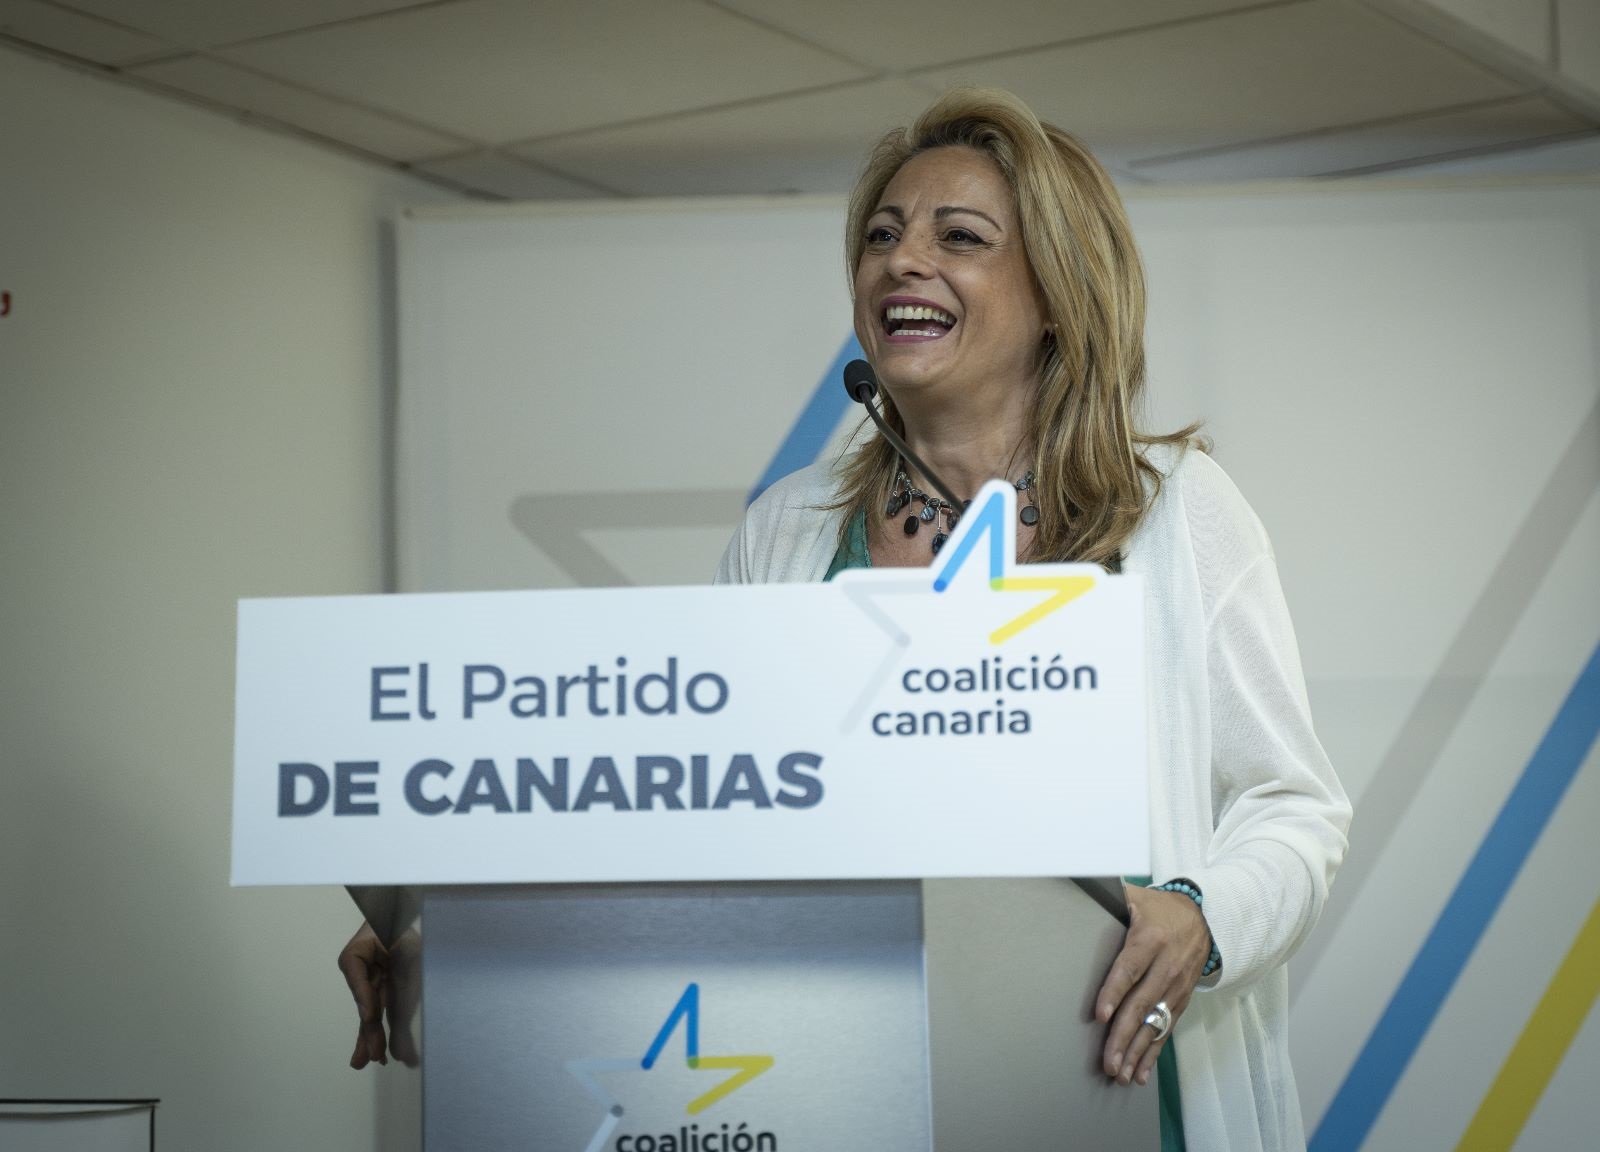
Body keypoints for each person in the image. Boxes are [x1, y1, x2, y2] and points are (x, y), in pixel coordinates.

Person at [713, 88, 1351, 1152]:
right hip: (850, 1074)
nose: (902, 262)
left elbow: (1294, 807)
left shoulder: (1178, 510)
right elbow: (708, 805)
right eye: (881, 236)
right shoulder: (784, 529)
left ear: (1057, 291)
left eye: (958, 237)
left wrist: (1201, 916)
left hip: (1117, 1081)